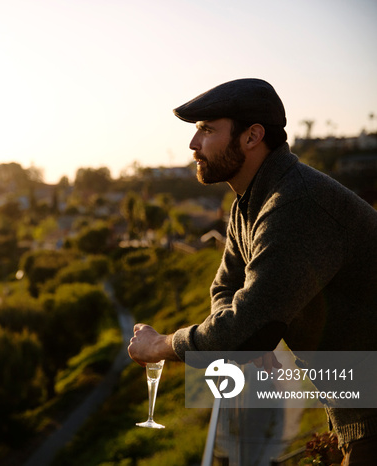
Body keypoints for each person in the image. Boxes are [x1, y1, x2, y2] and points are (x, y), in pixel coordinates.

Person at [127, 78, 377, 463]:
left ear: (252, 136)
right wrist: (253, 335)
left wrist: (160, 345)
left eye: (207, 130)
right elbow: (227, 288)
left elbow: (246, 327)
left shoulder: (296, 203)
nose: (194, 145)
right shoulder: (250, 205)